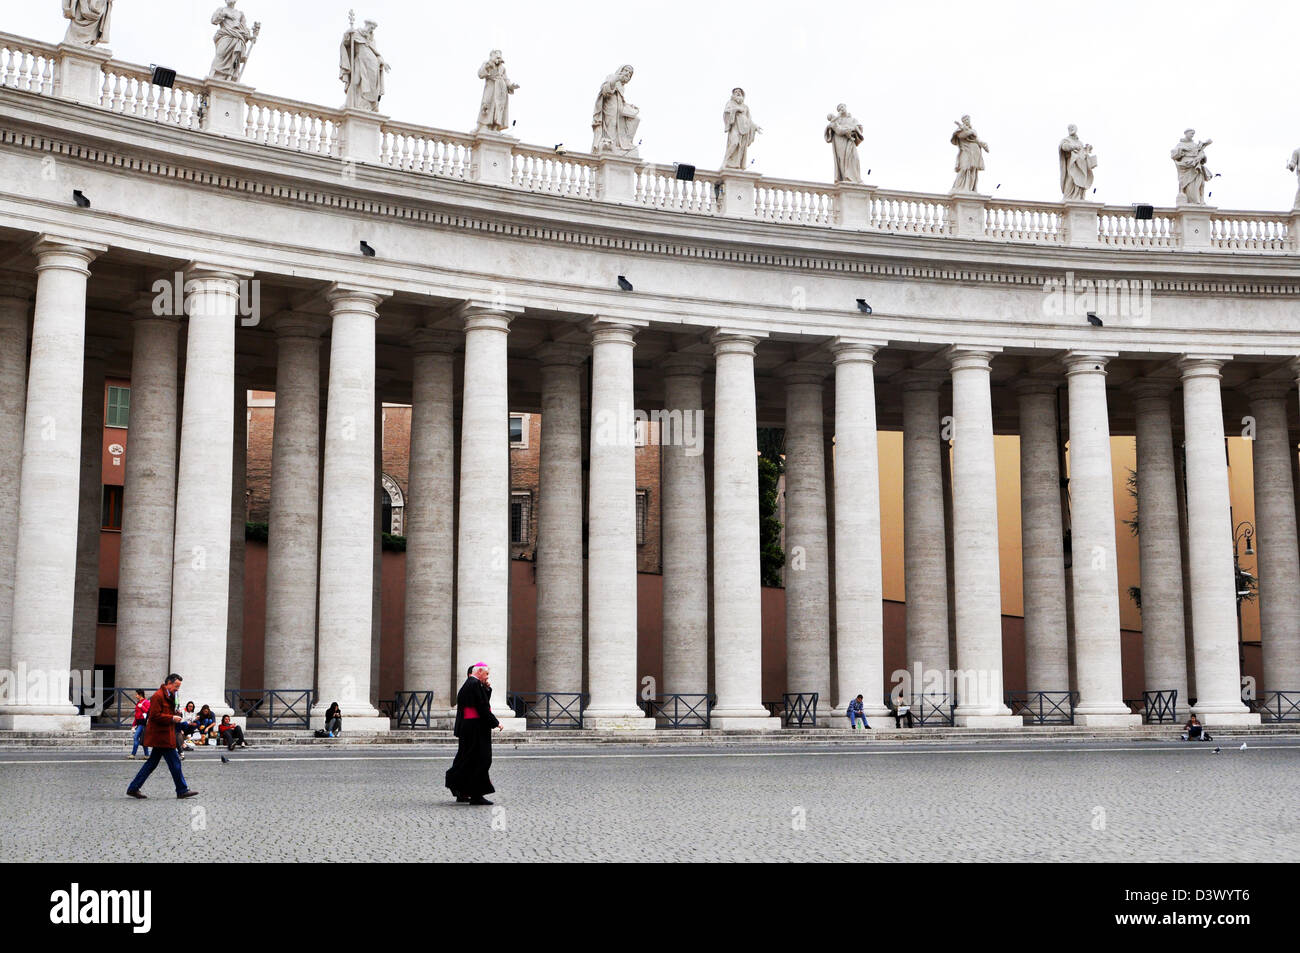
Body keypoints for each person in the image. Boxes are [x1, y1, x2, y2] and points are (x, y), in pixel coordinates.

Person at [126, 674, 199, 799]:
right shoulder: (158, 696)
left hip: (165, 734)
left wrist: (175, 713)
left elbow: (163, 713)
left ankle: (133, 788)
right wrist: (171, 718)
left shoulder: (168, 696)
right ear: (168, 683)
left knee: (152, 763)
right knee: (175, 762)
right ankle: (182, 790)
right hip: (162, 736)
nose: (177, 689)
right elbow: (154, 716)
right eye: (176, 686)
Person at [445, 663, 502, 804]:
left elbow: (481, 701)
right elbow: (482, 707)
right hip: (476, 728)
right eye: (486, 674)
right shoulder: (474, 684)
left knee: (466, 760)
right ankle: (476, 795)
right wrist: (495, 722)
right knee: (481, 760)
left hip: (469, 728)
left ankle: (461, 791)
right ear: (480, 671)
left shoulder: (470, 684)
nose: (487, 677)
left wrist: (487, 688)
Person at [128, 689, 150, 759]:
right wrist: (133, 725)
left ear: (140, 694)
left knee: (136, 737)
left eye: (136, 694)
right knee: (143, 739)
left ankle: (133, 754)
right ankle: (146, 755)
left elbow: (148, 712)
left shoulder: (146, 702)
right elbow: (136, 715)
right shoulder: (138, 703)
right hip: (139, 723)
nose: (136, 695)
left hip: (143, 723)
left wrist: (142, 707)